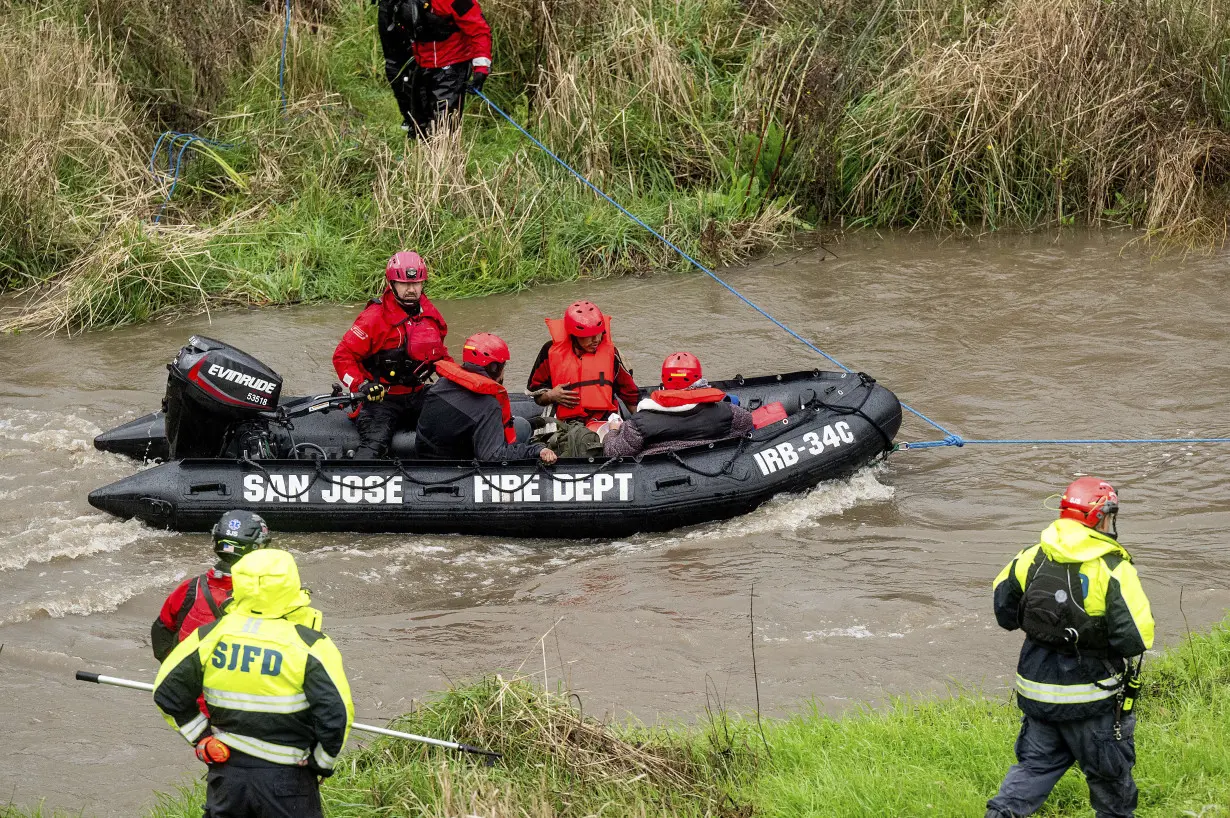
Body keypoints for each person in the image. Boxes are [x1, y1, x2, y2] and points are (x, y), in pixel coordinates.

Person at [985, 477, 1154, 818]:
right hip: (1093, 701)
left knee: (1032, 771)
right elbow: (1135, 639)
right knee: (1111, 785)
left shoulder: (1030, 557)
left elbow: (1005, 613)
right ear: (1099, 517)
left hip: (1038, 694)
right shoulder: (1113, 567)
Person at [154, 548, 353, 818]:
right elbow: (336, 715)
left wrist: (201, 738)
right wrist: (321, 763)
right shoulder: (311, 645)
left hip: (226, 773)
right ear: (290, 584)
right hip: (289, 778)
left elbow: (167, 692)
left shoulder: (212, 635)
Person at [333, 250, 451, 458]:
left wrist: (466, 383)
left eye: (416, 284)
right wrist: (361, 385)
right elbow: (342, 357)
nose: (411, 290)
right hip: (382, 400)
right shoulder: (373, 319)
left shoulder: (431, 316)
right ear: (392, 284)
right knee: (374, 446)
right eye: (404, 284)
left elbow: (442, 359)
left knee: (456, 421)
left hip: (417, 394)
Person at [416, 332, 559, 464]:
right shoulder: (488, 405)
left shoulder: (441, 384)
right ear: (494, 368)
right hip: (459, 464)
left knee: (520, 423)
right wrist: (535, 450)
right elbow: (492, 456)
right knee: (522, 427)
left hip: (426, 453)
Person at [151, 510, 271, 663]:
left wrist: (178, 674)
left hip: (189, 679)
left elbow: (161, 634)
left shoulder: (190, 588)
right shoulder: (269, 595)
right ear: (259, 548)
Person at [526, 300, 639, 457]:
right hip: (563, 419)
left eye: (599, 333)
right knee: (548, 447)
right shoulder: (550, 351)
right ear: (574, 335)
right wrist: (552, 395)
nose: (596, 340)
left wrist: (641, 423)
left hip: (603, 419)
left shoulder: (612, 353)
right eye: (589, 336)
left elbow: (630, 395)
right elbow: (537, 395)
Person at [603, 352, 753, 457]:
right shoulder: (728, 412)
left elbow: (613, 452)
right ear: (699, 379)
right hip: (712, 465)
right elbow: (747, 423)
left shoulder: (639, 423)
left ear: (664, 380)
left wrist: (613, 430)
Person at [377, 0, 492, 135]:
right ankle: (424, 152)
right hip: (422, 65)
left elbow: (479, 29)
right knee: (420, 128)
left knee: (444, 129)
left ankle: (446, 153)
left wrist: (481, 68)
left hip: (452, 65)